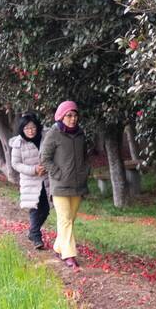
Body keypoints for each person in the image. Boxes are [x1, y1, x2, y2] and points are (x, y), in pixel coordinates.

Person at [40, 101, 90, 270]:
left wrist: (85, 171)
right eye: (69, 115)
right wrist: (57, 174)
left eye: (75, 115)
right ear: (61, 116)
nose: (73, 119)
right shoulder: (54, 133)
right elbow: (44, 158)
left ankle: (58, 247)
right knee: (65, 219)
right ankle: (69, 255)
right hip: (60, 185)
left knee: (70, 219)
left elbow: (85, 156)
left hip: (77, 184)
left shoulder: (80, 134)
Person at [9, 112, 49, 249]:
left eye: (32, 127)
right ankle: (36, 237)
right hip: (30, 181)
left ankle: (32, 232)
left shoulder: (45, 137)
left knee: (46, 208)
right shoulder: (18, 143)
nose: (30, 131)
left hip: (46, 179)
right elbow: (16, 164)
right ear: (22, 129)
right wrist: (33, 170)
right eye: (27, 128)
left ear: (37, 127)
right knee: (34, 208)